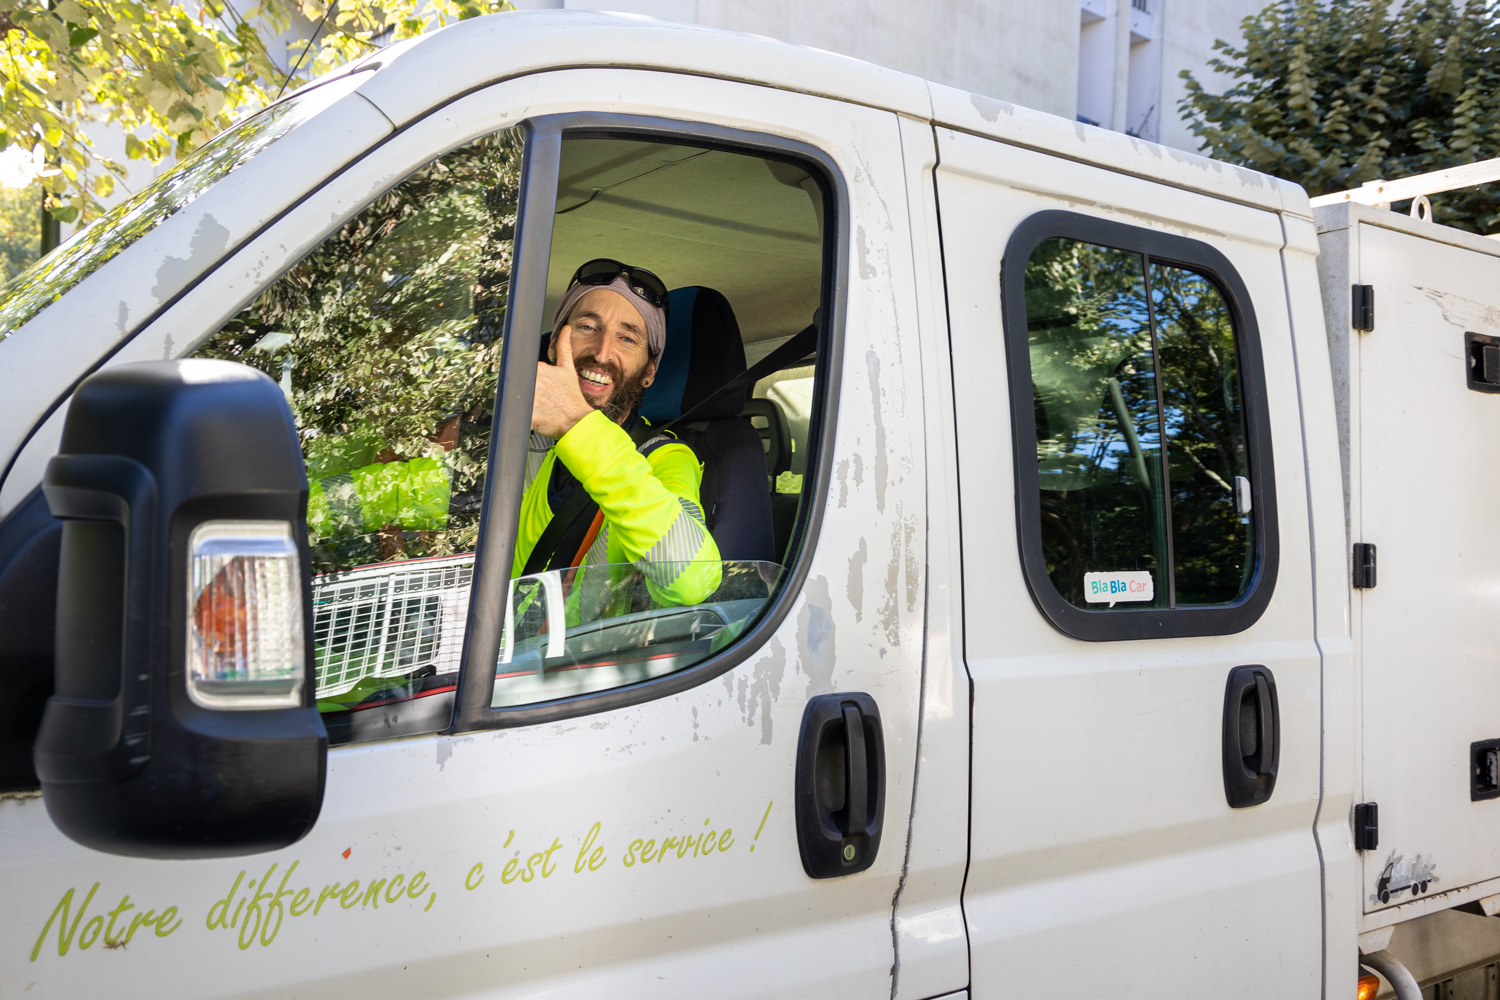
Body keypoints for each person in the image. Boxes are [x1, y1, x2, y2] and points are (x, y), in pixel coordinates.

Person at [516, 258, 722, 615]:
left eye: (627, 338)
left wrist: (577, 426)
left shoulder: (666, 459)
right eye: (586, 327)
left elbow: (693, 580)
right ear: (552, 347)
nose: (601, 352)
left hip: (581, 651)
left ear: (649, 371)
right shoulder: (521, 440)